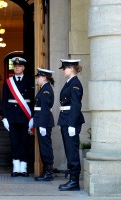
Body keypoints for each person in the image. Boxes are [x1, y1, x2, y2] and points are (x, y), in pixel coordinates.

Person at [2, 57, 33, 177]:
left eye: (19, 66)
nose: (17, 68)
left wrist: (33, 117)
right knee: (14, 142)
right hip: (12, 116)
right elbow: (4, 100)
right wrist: (4, 117)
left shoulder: (30, 80)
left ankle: (23, 168)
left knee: (24, 142)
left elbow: (33, 101)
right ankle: (16, 168)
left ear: (23, 67)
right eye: (15, 66)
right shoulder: (8, 81)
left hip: (25, 116)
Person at [58, 59, 85, 191]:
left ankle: (74, 181)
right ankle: (72, 180)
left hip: (70, 120)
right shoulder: (69, 83)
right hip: (66, 119)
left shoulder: (75, 83)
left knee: (72, 151)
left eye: (65, 68)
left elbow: (76, 105)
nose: (63, 70)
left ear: (72, 68)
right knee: (69, 151)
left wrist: (72, 124)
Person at [33, 68, 55, 181]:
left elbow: (45, 109)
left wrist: (42, 124)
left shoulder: (46, 90)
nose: (37, 79)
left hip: (44, 122)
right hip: (41, 121)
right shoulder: (43, 89)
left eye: (39, 77)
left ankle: (49, 172)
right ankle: (47, 171)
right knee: (43, 146)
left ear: (45, 78)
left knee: (45, 147)